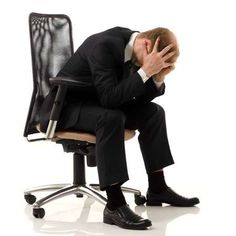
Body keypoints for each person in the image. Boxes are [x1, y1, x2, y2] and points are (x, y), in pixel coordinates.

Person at [39, 26, 200, 230]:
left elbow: (130, 95)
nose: (154, 69)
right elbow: (109, 98)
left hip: (97, 104)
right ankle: (114, 204)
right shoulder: (104, 46)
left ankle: (158, 188)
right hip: (65, 108)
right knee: (111, 117)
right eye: (156, 64)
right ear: (148, 44)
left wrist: (157, 78)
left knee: (153, 113)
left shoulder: (134, 48)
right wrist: (146, 71)